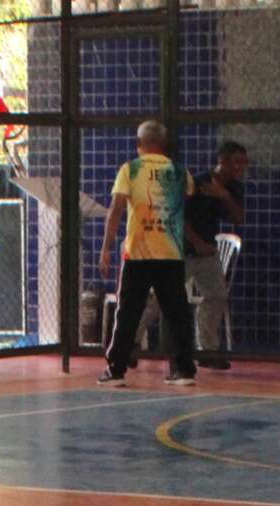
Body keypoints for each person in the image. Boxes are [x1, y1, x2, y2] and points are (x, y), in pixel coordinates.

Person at [97, 119, 196, 389]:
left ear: (139, 144)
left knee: (128, 312)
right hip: (171, 252)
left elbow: (116, 209)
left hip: (139, 254)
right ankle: (184, 369)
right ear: (165, 144)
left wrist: (106, 248)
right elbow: (184, 201)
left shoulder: (130, 169)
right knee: (176, 313)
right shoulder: (180, 172)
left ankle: (116, 370)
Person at [184, 137, 245, 371]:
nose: (241, 168)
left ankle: (207, 349)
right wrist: (197, 242)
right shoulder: (198, 183)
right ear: (222, 160)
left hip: (208, 251)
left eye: (244, 163)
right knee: (160, 298)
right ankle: (131, 343)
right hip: (184, 249)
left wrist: (224, 196)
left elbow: (239, 219)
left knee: (216, 296)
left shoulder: (234, 188)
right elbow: (178, 217)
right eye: (237, 162)